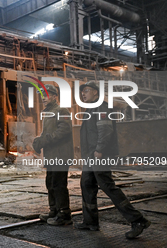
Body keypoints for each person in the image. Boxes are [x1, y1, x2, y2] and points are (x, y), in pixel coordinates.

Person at [74, 81, 151, 239]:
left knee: (107, 186)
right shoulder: (91, 108)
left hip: (98, 155)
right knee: (87, 184)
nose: (83, 94)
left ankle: (138, 220)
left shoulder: (101, 107)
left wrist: (100, 149)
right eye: (82, 91)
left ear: (96, 92)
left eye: (86, 90)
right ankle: (90, 222)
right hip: (90, 156)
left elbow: (105, 129)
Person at [32, 84, 74, 226]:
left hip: (61, 155)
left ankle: (64, 214)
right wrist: (39, 140)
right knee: (50, 183)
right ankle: (54, 210)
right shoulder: (48, 113)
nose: (43, 98)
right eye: (42, 95)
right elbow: (47, 134)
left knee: (59, 184)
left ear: (55, 96)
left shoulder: (62, 110)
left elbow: (64, 130)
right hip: (52, 156)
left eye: (46, 95)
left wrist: (46, 140)